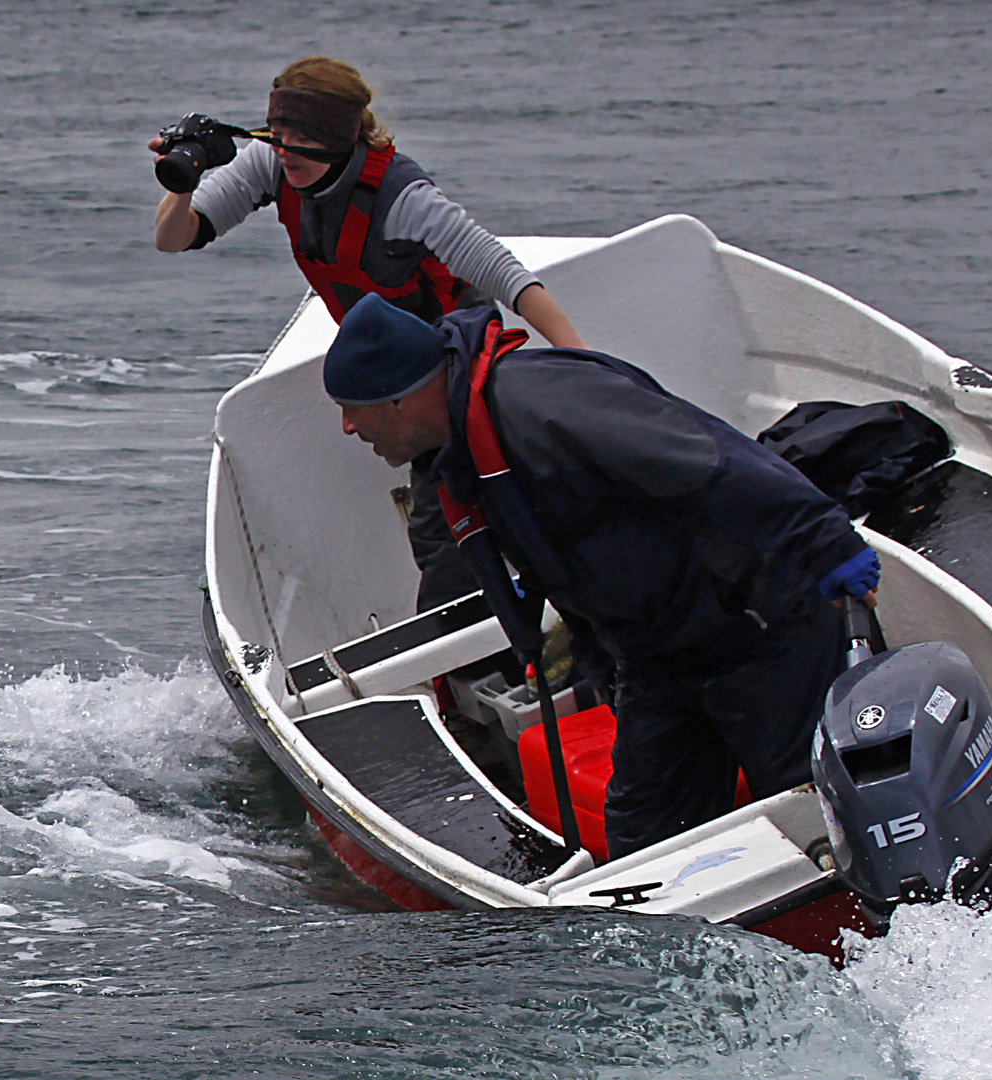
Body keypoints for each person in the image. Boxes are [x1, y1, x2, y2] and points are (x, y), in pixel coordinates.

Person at [322, 293, 882, 858]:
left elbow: (709, 457)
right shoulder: (456, 455)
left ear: (400, 401)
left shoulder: (545, 403)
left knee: (810, 820)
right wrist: (600, 663)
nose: (346, 427)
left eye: (351, 407)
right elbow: (564, 567)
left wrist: (829, 542)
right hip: (656, 660)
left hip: (759, 630)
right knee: (646, 849)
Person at [151, 56, 587, 610]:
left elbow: (507, 276)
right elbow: (173, 237)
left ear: (346, 136)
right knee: (449, 521)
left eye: (305, 140)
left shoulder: (403, 198)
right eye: (279, 135)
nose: (288, 154)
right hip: (393, 373)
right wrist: (182, 176)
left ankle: (477, 660)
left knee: (443, 529)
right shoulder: (273, 163)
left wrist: (581, 356)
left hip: (454, 364)